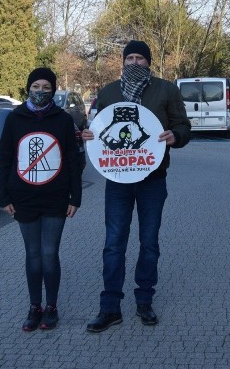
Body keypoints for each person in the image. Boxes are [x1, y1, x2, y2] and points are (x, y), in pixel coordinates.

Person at [81, 40, 191, 332]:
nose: (133, 62)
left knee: (149, 242)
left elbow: (184, 127)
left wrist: (175, 136)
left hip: (152, 180)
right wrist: (88, 136)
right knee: (114, 244)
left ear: (148, 62)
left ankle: (144, 301)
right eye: (129, 57)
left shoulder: (165, 90)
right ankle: (110, 307)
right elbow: (94, 128)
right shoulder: (108, 92)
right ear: (122, 61)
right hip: (118, 181)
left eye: (139, 58)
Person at [0, 67, 82, 332]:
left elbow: (73, 161)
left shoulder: (63, 120)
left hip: (56, 197)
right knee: (32, 254)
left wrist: (75, 197)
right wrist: (3, 195)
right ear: (28, 88)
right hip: (23, 197)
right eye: (36, 87)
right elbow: (5, 158)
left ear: (53, 90)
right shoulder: (15, 118)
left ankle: (51, 307)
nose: (41, 91)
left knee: (49, 253)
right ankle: (35, 307)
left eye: (46, 87)